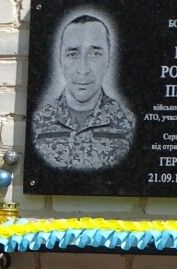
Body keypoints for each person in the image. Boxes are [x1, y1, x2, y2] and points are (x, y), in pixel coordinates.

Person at [31, 14, 135, 171]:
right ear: (60, 60)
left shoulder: (128, 124)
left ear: (108, 59)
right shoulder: (37, 123)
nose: (83, 69)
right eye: (72, 54)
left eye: (95, 54)